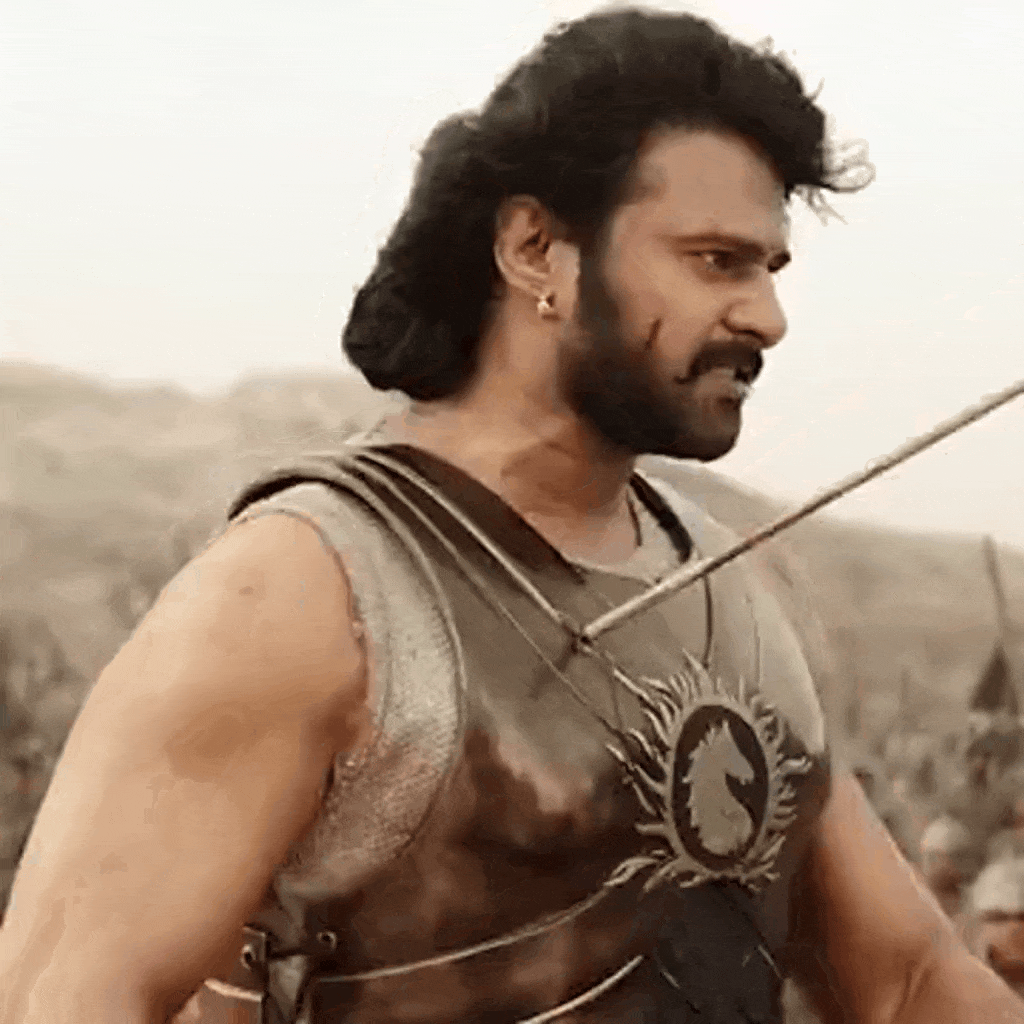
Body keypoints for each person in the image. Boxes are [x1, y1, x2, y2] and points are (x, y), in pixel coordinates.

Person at [1, 8, 1021, 1023]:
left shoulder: (733, 589)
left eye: (768, 268)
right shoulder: (303, 590)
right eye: (717, 260)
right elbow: (60, 997)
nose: (766, 315)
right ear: (536, 249)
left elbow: (908, 980)